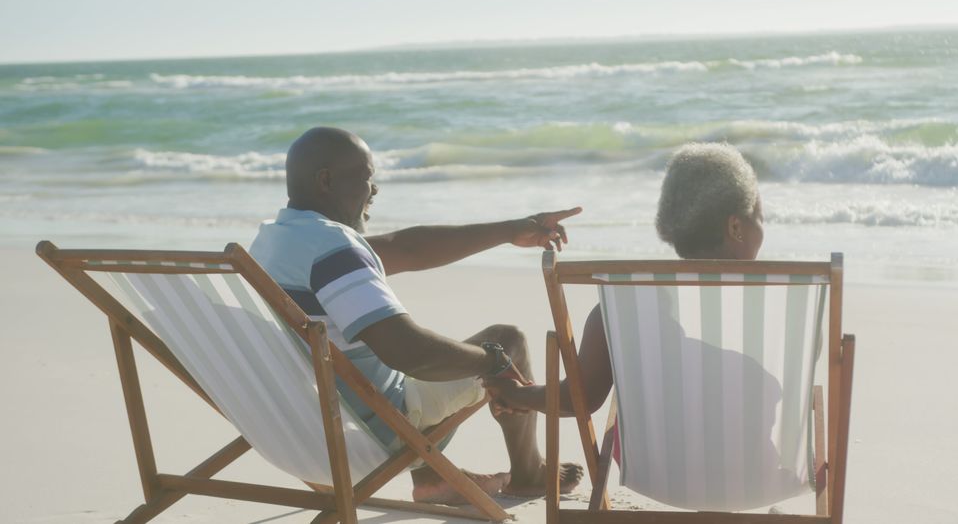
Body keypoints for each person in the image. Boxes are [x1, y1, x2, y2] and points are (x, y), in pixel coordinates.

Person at [249, 126, 584, 503]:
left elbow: (405, 248)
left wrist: (509, 230)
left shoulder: (273, 241)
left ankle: (433, 478)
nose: (374, 190)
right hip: (372, 426)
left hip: (295, 425)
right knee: (507, 340)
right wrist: (496, 361)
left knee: (385, 342)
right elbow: (412, 355)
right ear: (326, 180)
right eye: (366, 177)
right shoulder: (333, 247)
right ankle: (529, 474)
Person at [484, 142, 764, 418]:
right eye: (760, 217)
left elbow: (578, 399)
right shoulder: (779, 307)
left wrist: (516, 393)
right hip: (758, 464)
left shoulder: (625, 306)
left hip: (651, 463)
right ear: (735, 227)